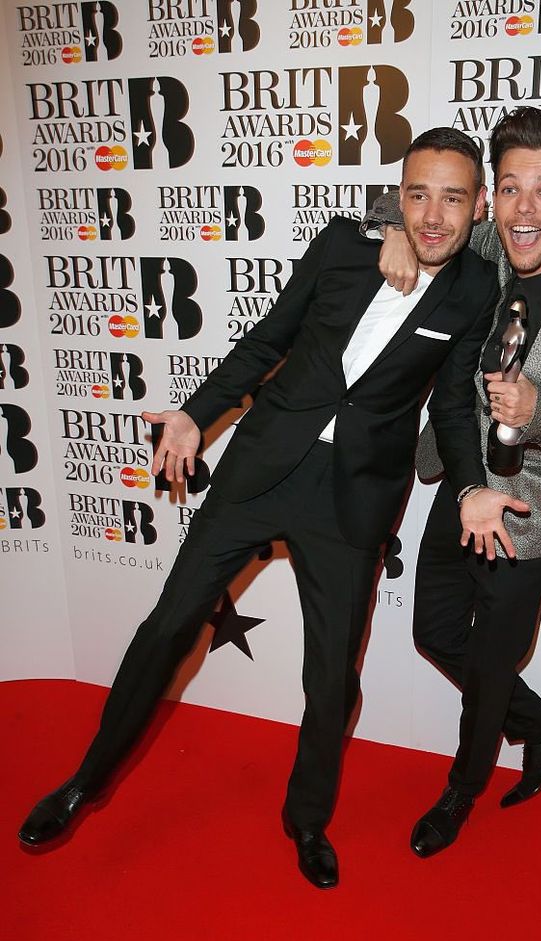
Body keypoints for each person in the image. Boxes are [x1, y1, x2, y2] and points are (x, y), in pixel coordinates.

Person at [18, 128, 502, 889]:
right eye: (415, 194)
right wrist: (193, 413)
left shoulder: (477, 289)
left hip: (354, 498)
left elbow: (449, 404)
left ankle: (307, 819)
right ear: (397, 194)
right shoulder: (346, 243)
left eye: (451, 197)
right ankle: (86, 782)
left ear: (477, 205)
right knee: (168, 624)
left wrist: (472, 483)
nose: (432, 215)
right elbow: (267, 339)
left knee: (332, 677)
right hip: (262, 468)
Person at [362, 107, 541, 857]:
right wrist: (391, 228)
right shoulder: (486, 241)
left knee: (488, 668)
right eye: (510, 187)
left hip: (528, 514)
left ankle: (462, 789)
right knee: (434, 633)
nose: (523, 209)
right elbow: (416, 209)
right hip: (461, 485)